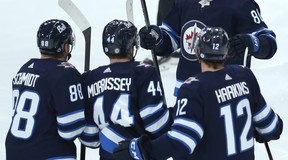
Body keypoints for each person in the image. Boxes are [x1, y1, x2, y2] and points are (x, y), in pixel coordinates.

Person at [113, 27, 283, 160]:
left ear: (196, 52)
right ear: (226, 53)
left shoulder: (194, 88)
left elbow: (182, 141)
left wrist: (140, 149)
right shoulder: (244, 75)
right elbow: (272, 127)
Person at [139, 0, 277, 96]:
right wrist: (157, 38)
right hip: (187, 92)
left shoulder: (241, 5)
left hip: (226, 94)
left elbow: (269, 43)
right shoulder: (184, 0)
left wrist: (251, 42)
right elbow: (171, 39)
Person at [79, 19, 172, 160]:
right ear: (132, 46)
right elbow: (156, 125)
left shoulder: (90, 78)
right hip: (134, 153)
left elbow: (90, 139)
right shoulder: (144, 72)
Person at [5, 19, 86, 159]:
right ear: (65, 47)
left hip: (14, 152)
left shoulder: (25, 68)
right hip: (48, 153)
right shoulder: (65, 73)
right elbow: (71, 130)